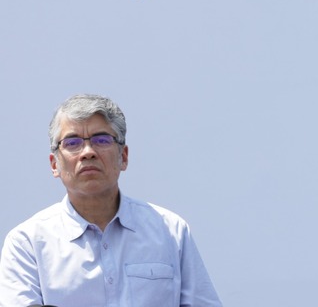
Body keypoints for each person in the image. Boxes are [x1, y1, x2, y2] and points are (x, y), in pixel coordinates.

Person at [0, 94, 223, 307]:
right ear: (54, 164)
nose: (88, 152)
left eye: (101, 140)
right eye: (72, 143)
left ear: (123, 157)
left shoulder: (170, 230)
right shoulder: (27, 243)